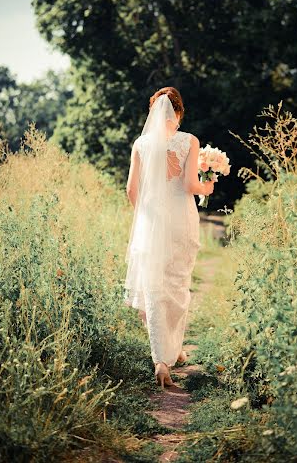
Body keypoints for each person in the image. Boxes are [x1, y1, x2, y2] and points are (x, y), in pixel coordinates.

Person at [124, 87, 215, 388]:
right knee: (177, 283)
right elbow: (190, 185)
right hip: (180, 220)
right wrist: (209, 184)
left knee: (154, 286)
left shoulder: (140, 143)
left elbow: (131, 191)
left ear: (153, 111)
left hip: (150, 221)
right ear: (178, 113)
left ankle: (162, 358)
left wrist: (146, 217)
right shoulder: (188, 141)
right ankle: (171, 350)